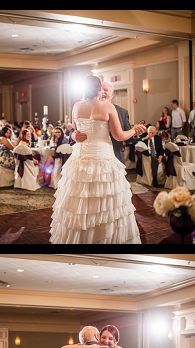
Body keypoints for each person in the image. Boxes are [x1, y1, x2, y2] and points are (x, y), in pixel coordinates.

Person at [49, 75, 145, 244]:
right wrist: (135, 129)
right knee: (104, 202)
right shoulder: (107, 108)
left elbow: (76, 128)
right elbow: (119, 135)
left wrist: (74, 133)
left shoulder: (77, 106)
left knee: (80, 201)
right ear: (100, 89)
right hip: (102, 159)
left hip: (79, 160)